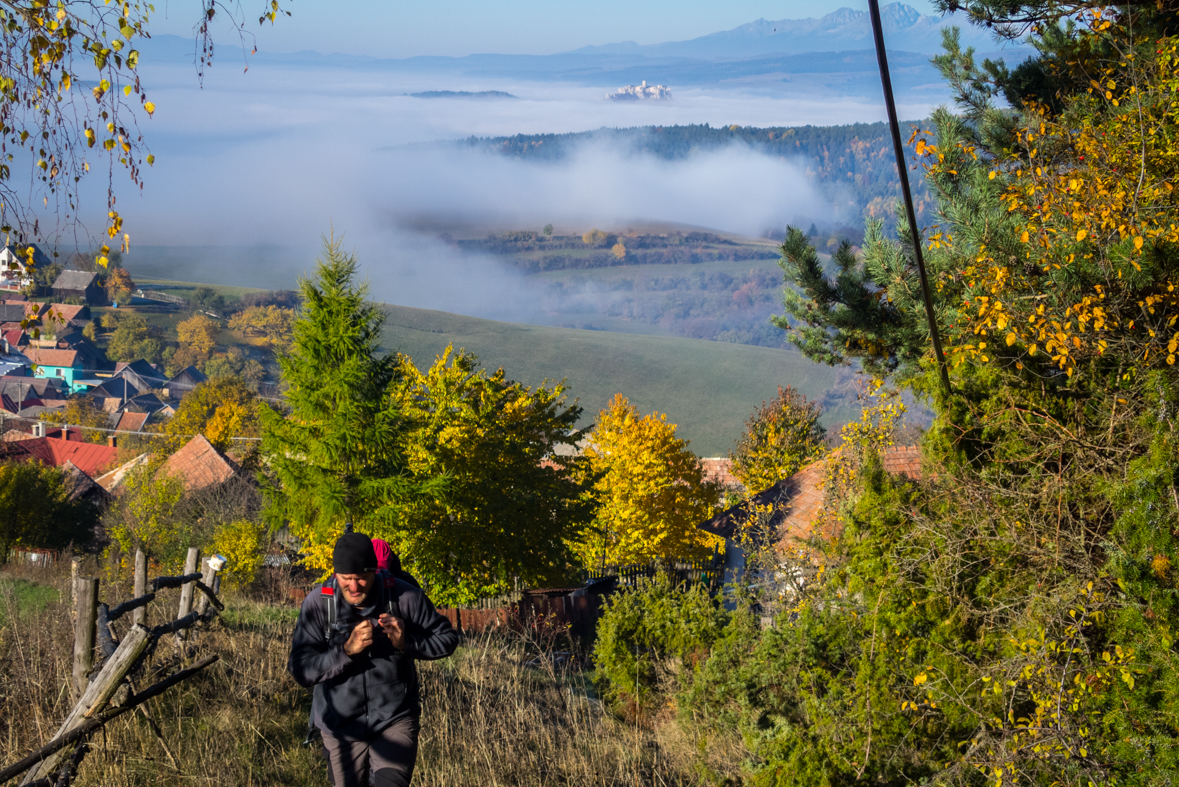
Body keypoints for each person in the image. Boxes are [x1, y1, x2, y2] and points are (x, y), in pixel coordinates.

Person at [289, 532, 458, 786]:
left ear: (375, 572)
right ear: (336, 575)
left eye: (361, 578)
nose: (354, 587)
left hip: (395, 720)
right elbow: (301, 670)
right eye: (346, 579)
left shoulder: (404, 596)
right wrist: (345, 651)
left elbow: (447, 638)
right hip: (340, 726)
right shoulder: (319, 605)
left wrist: (407, 642)